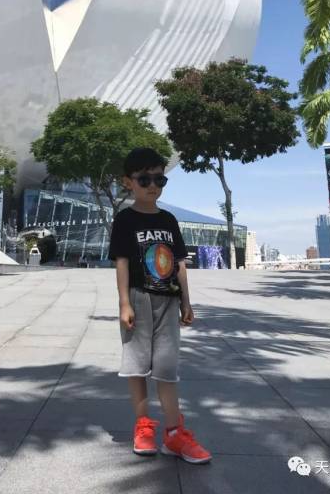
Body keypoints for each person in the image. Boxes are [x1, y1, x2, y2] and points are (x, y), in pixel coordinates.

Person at [108, 147, 212, 464]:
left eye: (159, 179)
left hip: (168, 301)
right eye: (144, 179)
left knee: (167, 369)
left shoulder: (168, 220)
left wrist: (186, 301)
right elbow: (122, 263)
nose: (152, 185)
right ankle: (143, 427)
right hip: (138, 299)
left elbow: (179, 263)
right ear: (128, 182)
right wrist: (124, 303)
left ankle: (175, 434)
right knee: (137, 366)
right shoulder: (125, 219)